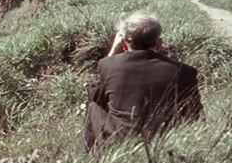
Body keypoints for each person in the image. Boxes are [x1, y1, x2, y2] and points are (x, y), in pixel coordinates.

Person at [83, 12, 202, 151]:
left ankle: (95, 160)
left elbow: (95, 96)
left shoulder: (108, 65)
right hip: (165, 141)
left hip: (121, 142)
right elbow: (194, 115)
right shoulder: (185, 72)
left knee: (93, 106)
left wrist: (112, 53)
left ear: (123, 44)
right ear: (159, 43)